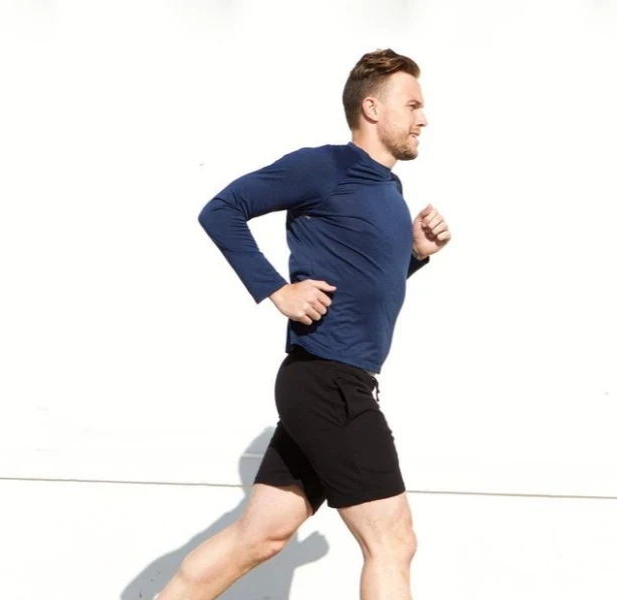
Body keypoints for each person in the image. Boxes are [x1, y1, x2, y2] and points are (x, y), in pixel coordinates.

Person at [156, 48, 451, 600]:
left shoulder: (387, 190)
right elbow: (222, 209)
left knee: (260, 537)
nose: (423, 118)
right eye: (411, 104)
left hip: (328, 382)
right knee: (394, 542)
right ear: (372, 108)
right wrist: (276, 290)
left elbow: (366, 284)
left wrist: (415, 252)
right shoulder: (328, 166)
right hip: (329, 382)